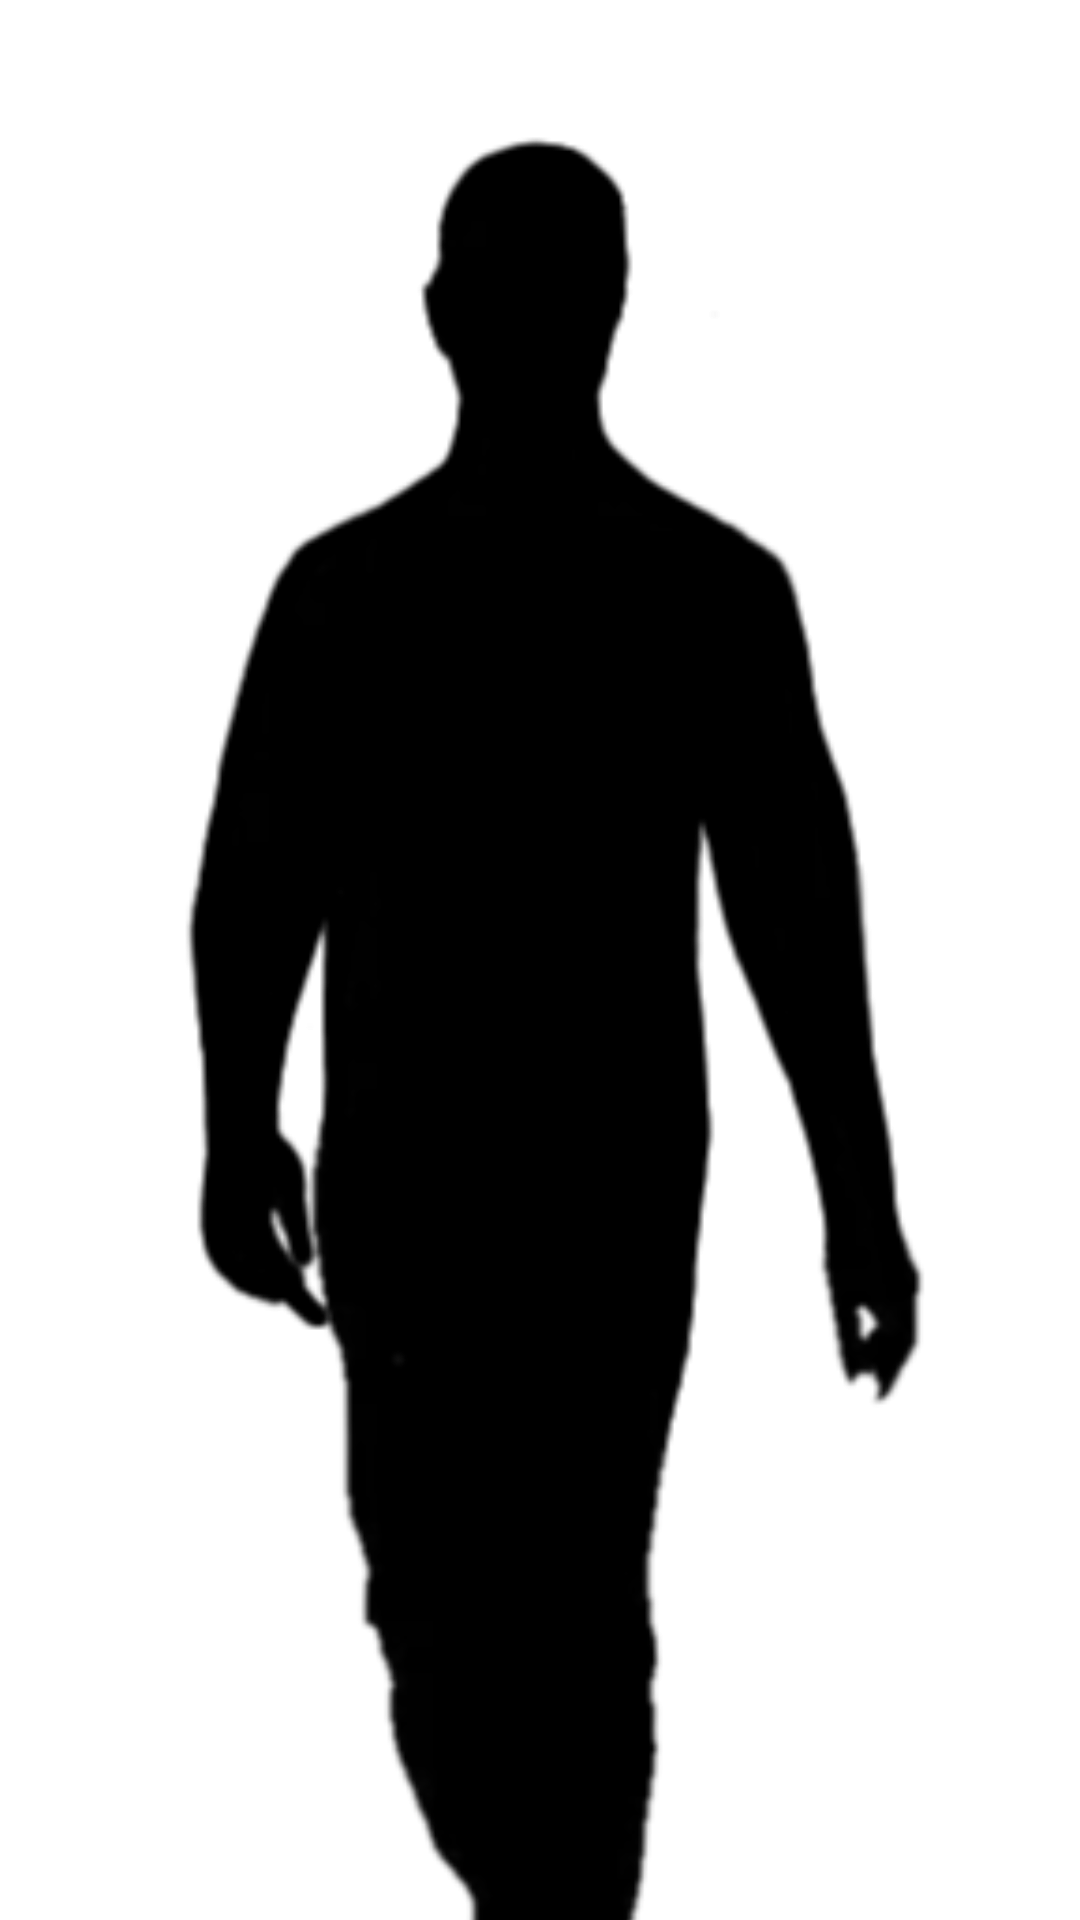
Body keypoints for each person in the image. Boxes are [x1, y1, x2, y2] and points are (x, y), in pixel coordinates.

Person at [186, 141, 919, 1917]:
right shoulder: (680, 582)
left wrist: (854, 1200)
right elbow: (806, 922)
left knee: (490, 1574)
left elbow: (804, 913)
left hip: (495, 1156)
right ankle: (556, 1905)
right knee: (530, 1573)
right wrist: (852, 1201)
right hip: (547, 1154)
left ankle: (551, 1910)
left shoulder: (385, 583)